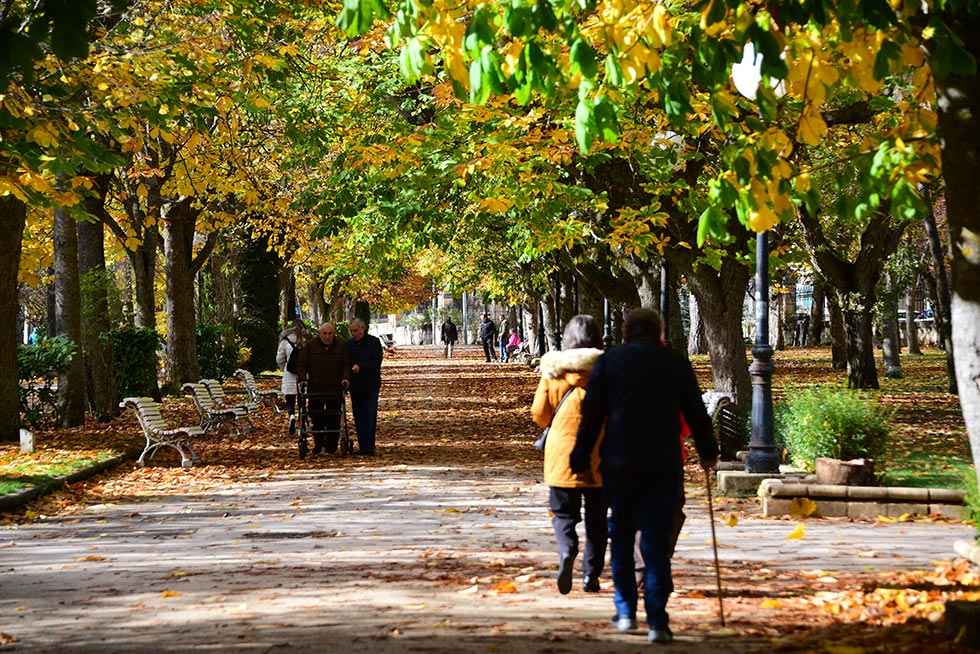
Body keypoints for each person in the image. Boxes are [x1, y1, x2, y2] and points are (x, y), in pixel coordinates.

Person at [571, 308, 718, 645]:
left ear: (625, 331)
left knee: (621, 537)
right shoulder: (675, 363)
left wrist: (580, 456)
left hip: (619, 462)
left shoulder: (610, 362)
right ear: (659, 331)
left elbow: (592, 415)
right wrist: (708, 452)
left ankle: (625, 611)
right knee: (654, 540)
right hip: (662, 463)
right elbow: (696, 412)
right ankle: (657, 620)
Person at [532, 315, 607, 596]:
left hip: (561, 458)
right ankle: (592, 575)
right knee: (597, 520)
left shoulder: (553, 372)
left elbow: (539, 414)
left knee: (563, 514)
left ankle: (567, 549)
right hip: (600, 456)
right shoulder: (607, 372)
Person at [294, 322, 349, 455]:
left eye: (330, 333)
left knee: (334, 416)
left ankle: (332, 445)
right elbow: (301, 363)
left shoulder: (341, 345)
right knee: (316, 416)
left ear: (333, 333)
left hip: (335, 387)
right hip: (315, 387)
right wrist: (302, 378)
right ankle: (318, 444)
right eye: (324, 333)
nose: (327, 336)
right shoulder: (311, 346)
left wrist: (345, 378)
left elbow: (346, 364)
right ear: (320, 334)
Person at [346, 318, 384, 456]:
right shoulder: (349, 345)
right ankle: (363, 445)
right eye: (352, 331)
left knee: (369, 414)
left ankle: (369, 446)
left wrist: (361, 366)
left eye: (356, 330)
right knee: (358, 415)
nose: (354, 333)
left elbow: (376, 362)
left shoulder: (374, 342)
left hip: (371, 384)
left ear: (363, 328)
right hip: (356, 386)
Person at [276, 319, 308, 435]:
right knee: (302, 400)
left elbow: (279, 359)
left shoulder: (285, 341)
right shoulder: (306, 341)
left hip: (289, 375)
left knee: (290, 400)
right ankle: (301, 422)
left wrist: (284, 368)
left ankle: (292, 416)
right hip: (303, 375)